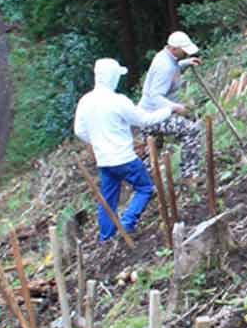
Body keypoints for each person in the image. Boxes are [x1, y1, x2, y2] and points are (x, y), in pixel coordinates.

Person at [75, 57, 176, 242]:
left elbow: (79, 131)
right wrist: (170, 111)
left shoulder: (85, 101)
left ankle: (107, 237)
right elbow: (143, 120)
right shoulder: (118, 101)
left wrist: (97, 141)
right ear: (112, 77)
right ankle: (127, 224)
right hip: (124, 157)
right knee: (146, 188)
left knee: (108, 200)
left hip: (104, 159)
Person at [139, 31, 203, 178]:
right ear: (174, 49)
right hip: (152, 115)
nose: (186, 53)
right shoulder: (164, 66)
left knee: (153, 149)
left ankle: (143, 184)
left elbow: (173, 68)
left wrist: (186, 63)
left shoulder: (166, 58)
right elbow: (155, 96)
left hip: (147, 113)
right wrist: (177, 108)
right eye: (183, 51)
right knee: (191, 130)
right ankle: (190, 175)